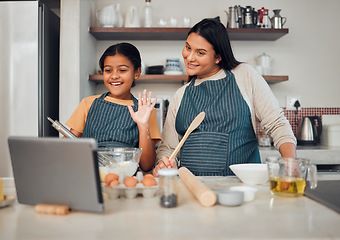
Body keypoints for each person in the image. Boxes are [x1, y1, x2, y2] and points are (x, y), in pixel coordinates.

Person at [153, 18, 296, 176]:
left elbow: (277, 124)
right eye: (188, 47)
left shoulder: (244, 75)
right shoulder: (181, 95)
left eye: (200, 53)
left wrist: (291, 164)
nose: (189, 57)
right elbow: (168, 148)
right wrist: (163, 163)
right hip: (194, 188)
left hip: (242, 186)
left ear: (218, 57)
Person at [66, 42, 160, 172]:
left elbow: (147, 164)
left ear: (137, 73)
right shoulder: (88, 103)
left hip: (125, 179)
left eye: (122, 70)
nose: (114, 76)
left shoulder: (147, 111)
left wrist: (143, 125)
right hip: (89, 175)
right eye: (108, 70)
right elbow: (67, 148)